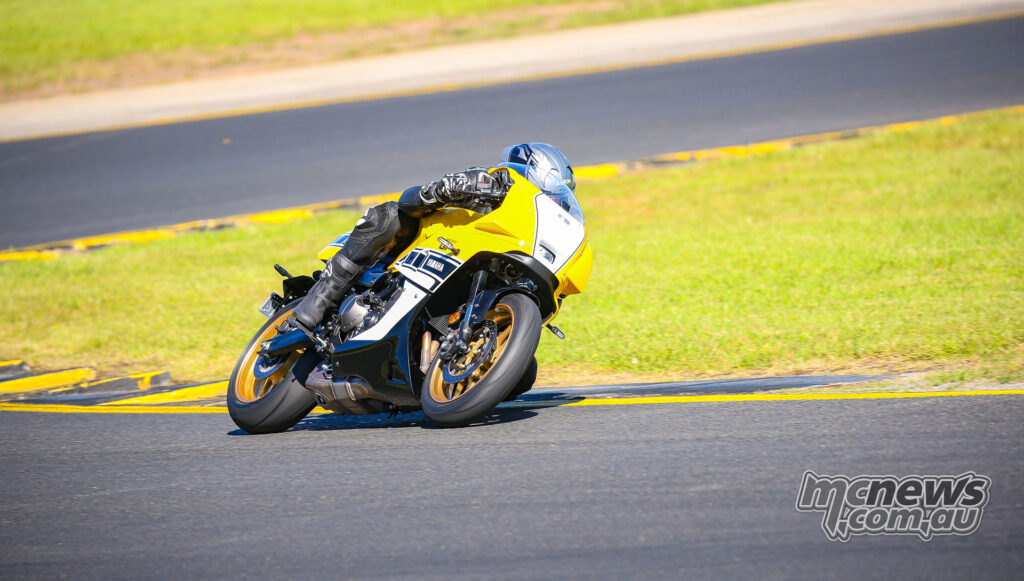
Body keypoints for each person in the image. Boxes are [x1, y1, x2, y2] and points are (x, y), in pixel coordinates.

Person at [291, 142, 576, 329]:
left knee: (524, 377)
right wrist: (441, 190)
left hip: (482, 275)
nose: (553, 202)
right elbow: (411, 201)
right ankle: (321, 296)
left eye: (558, 198)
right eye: (549, 193)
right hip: (431, 249)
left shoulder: (539, 225)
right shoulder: (490, 183)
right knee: (389, 214)